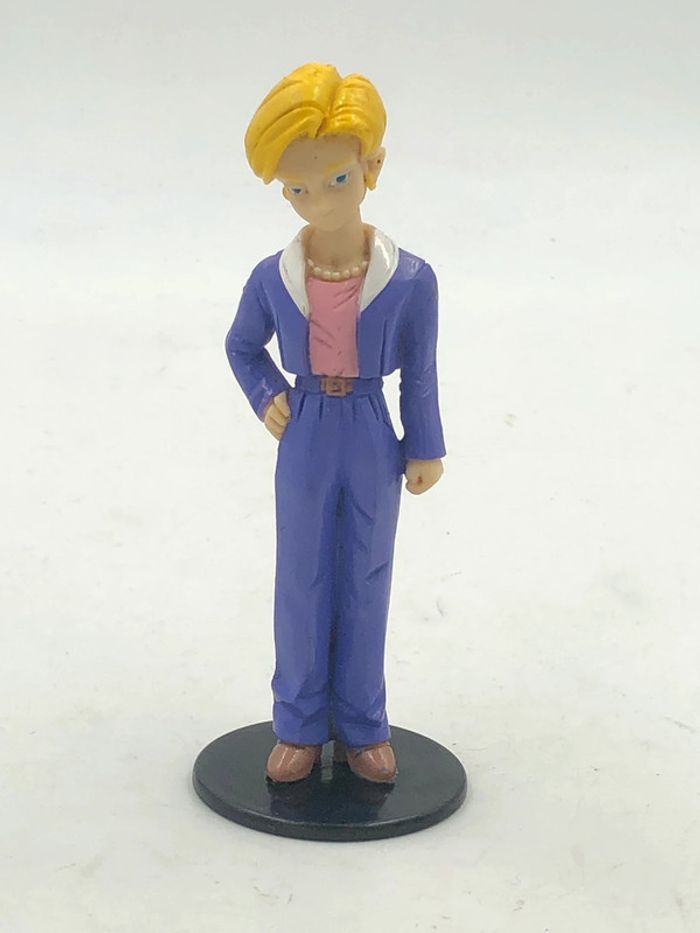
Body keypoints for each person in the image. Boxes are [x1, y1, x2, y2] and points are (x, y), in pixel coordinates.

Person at [225, 63, 446, 783]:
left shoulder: (409, 279)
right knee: (302, 576)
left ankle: (361, 723)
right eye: (297, 189)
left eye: (336, 180)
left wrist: (425, 445)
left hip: (371, 428)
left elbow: (421, 369)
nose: (316, 201)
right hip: (308, 427)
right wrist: (266, 393)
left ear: (372, 168)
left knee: (367, 574)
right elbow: (241, 344)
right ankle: (297, 721)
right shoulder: (273, 276)